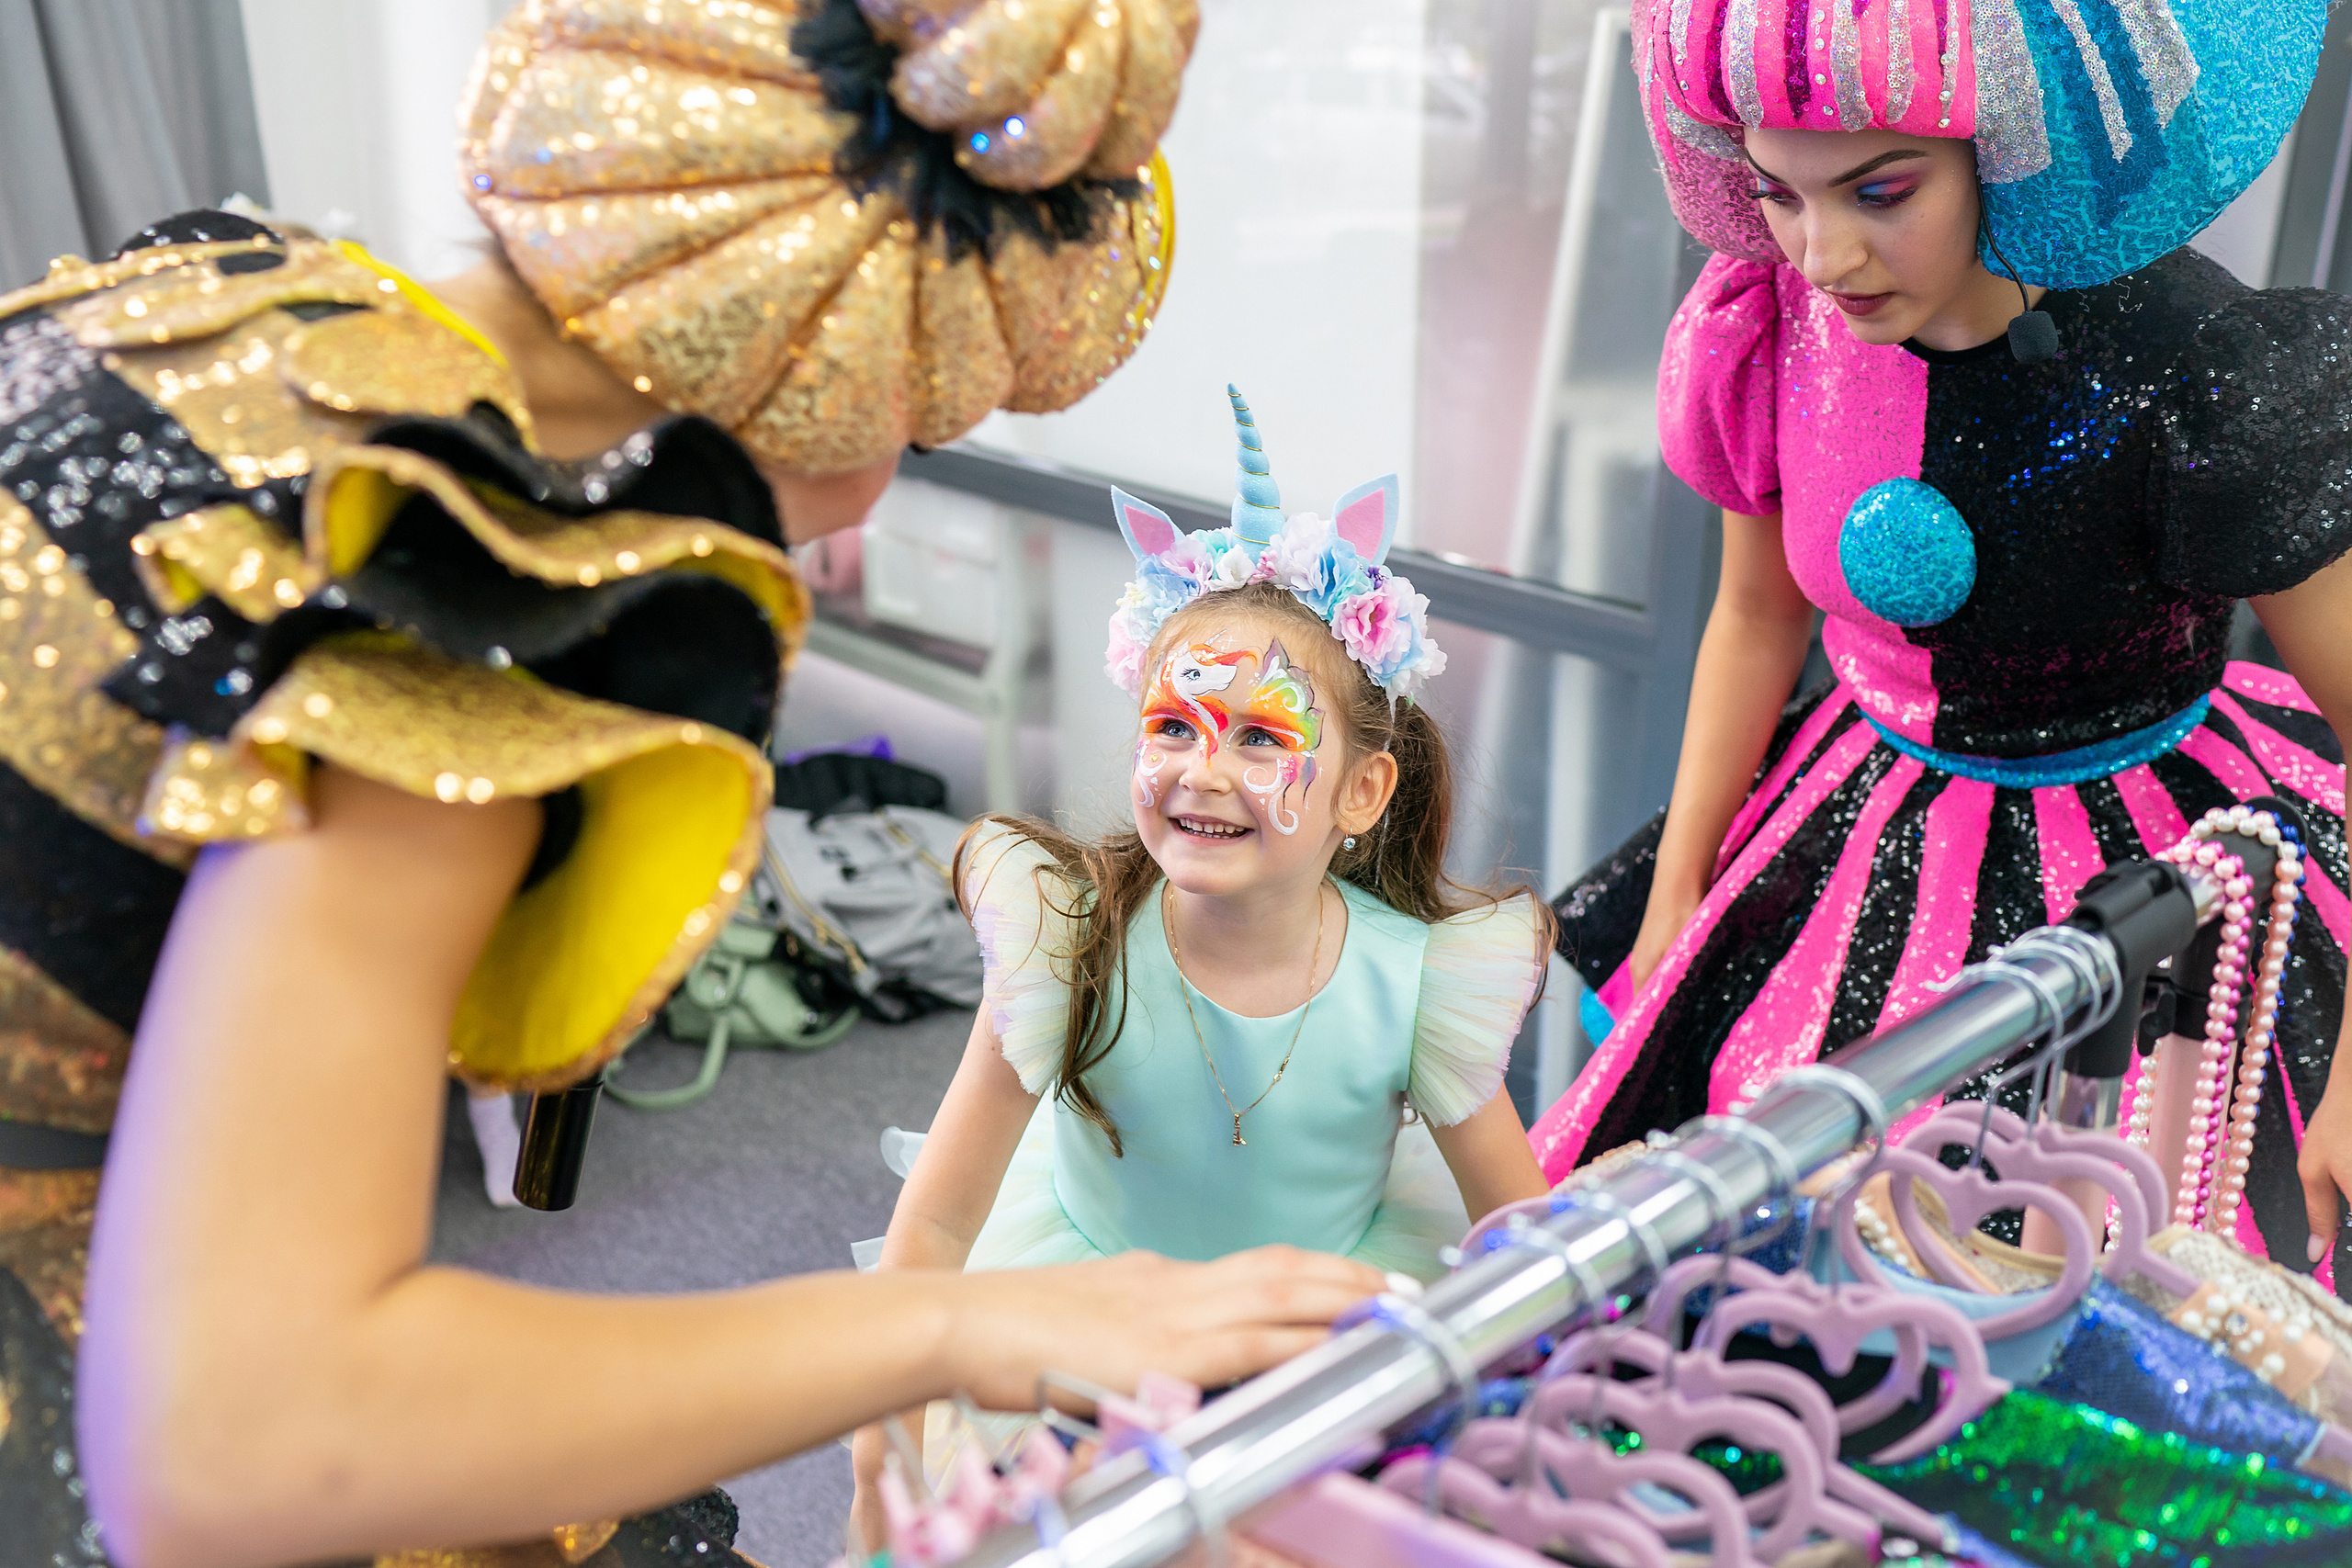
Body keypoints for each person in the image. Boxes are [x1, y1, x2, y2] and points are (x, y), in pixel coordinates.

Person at [0, 3, 1396, 1564]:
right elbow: (237, 1441)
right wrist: (958, 1330)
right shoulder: (449, 593)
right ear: (866, 382)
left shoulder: (221, 303)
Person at [1531, 0, 2352, 1291]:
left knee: (2082, 1300)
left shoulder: (2186, 366)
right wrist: (1680, 888)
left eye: (1879, 189)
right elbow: (1754, 616)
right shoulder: (1770, 321)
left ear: (2008, 142)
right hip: (1847, 825)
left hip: (2150, 902)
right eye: (1781, 195)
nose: (1825, 253)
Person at [851, 389, 1554, 1533]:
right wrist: (879, 1453)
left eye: (1264, 737)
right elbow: (933, 1226)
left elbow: (1526, 1239)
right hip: (1082, 1334)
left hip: (1312, 1350)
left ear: (1362, 793)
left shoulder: (1418, 985)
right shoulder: (1067, 939)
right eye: (1173, 725)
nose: (1202, 771)